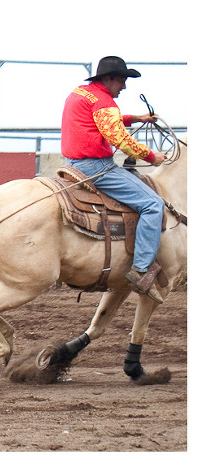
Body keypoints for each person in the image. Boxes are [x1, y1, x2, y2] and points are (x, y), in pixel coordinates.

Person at [61, 56, 165, 303]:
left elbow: (102, 119)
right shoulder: (104, 100)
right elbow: (117, 137)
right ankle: (141, 269)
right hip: (96, 167)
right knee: (153, 204)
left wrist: (136, 119)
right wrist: (151, 156)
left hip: (73, 163)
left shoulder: (81, 93)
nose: (124, 87)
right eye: (121, 81)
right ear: (107, 79)